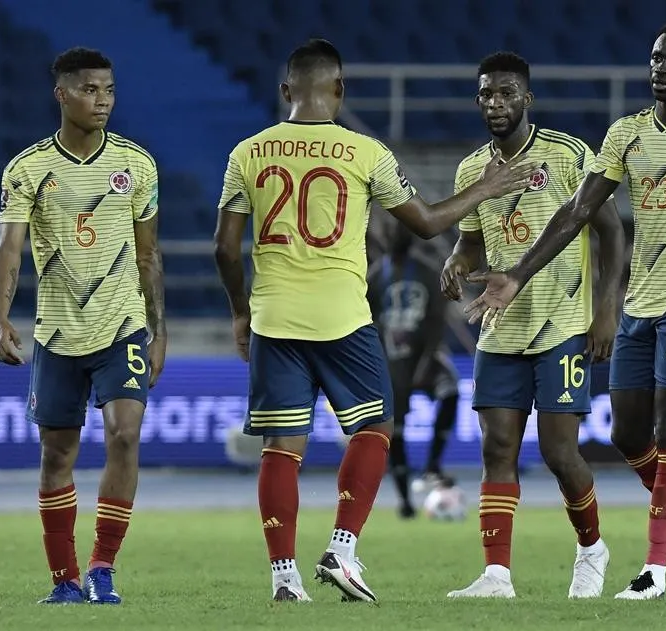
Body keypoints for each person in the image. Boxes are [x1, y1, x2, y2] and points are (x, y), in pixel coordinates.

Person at [212, 38, 536, 603]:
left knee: (280, 449)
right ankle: (341, 548)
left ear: (286, 91)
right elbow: (429, 225)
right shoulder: (365, 152)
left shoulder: (247, 153)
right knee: (375, 428)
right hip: (342, 318)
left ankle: (284, 578)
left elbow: (223, 247)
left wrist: (241, 312)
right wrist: (484, 187)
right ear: (339, 89)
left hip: (274, 317)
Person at [464, 22, 666, 600]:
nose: (660, 68)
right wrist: (518, 275)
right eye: (655, 58)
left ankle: (655, 571)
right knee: (628, 436)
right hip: (639, 305)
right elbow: (578, 212)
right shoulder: (625, 134)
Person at [441, 51, 625, 600]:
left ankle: (592, 549)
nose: (495, 104)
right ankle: (496, 575)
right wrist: (456, 259)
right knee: (497, 448)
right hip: (500, 326)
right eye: (486, 96)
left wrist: (607, 308)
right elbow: (471, 239)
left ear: (527, 99)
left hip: (562, 323)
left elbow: (612, 233)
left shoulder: (569, 155)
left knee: (558, 453)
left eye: (506, 94)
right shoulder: (473, 168)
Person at [0, 47, 167, 605]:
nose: (104, 101)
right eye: (91, 90)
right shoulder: (28, 169)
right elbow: (9, 250)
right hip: (58, 333)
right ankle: (64, 581)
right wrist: (0, 317)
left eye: (110, 90)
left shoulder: (138, 166)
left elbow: (149, 256)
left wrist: (158, 330)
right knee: (57, 455)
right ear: (62, 94)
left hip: (123, 326)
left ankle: (103, 568)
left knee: (125, 433)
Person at [367, 223, 460, 519]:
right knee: (395, 430)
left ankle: (432, 464)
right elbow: (365, 323)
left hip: (426, 355)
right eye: (393, 233)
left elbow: (437, 320)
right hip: (391, 362)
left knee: (451, 391)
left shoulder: (426, 270)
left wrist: (427, 359)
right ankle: (405, 499)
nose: (397, 237)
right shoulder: (373, 277)